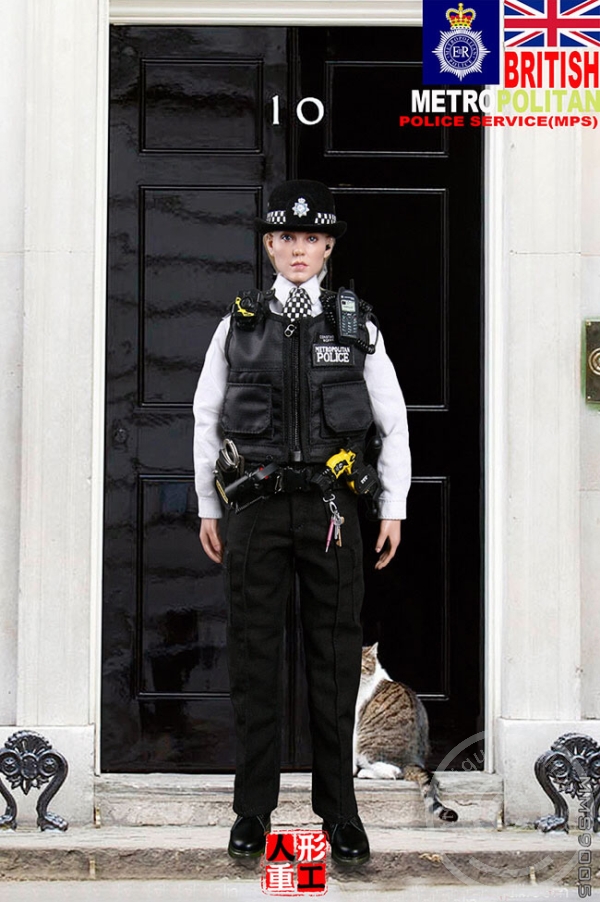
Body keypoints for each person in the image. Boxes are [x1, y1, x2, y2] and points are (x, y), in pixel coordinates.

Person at [193, 180, 411, 865]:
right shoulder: (238, 323)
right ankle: (252, 812)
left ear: (328, 247)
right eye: (286, 237)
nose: (298, 248)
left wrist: (394, 504)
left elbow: (392, 421)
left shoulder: (356, 325)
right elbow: (206, 416)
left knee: (333, 660)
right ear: (269, 244)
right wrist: (208, 505)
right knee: (256, 662)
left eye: (311, 238)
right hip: (254, 511)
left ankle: (339, 813)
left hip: (331, 513)